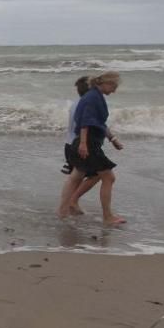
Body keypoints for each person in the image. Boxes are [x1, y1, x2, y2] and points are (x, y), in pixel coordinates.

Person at [64, 71, 125, 226]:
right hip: (88, 143)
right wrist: (83, 144)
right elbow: (85, 121)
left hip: (91, 143)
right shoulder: (92, 97)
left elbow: (99, 122)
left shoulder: (95, 96)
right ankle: (107, 217)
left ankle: (71, 203)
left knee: (93, 176)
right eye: (114, 86)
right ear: (106, 83)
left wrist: (112, 139)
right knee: (108, 177)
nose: (114, 90)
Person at [57, 76, 100, 216]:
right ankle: (66, 206)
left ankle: (69, 204)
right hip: (78, 144)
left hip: (70, 143)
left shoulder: (77, 103)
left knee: (77, 177)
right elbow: (85, 126)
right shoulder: (85, 104)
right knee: (92, 175)